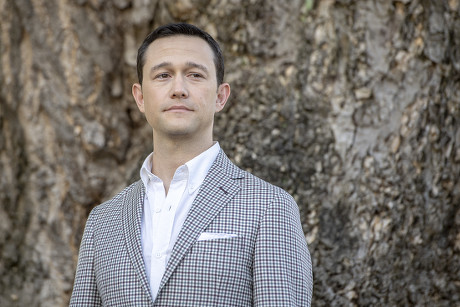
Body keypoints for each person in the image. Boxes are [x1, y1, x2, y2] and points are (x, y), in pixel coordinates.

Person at [70, 23, 313, 306]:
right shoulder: (102, 221)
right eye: (163, 75)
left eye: (195, 75)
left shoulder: (269, 207)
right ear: (140, 96)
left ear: (221, 96)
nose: (178, 89)